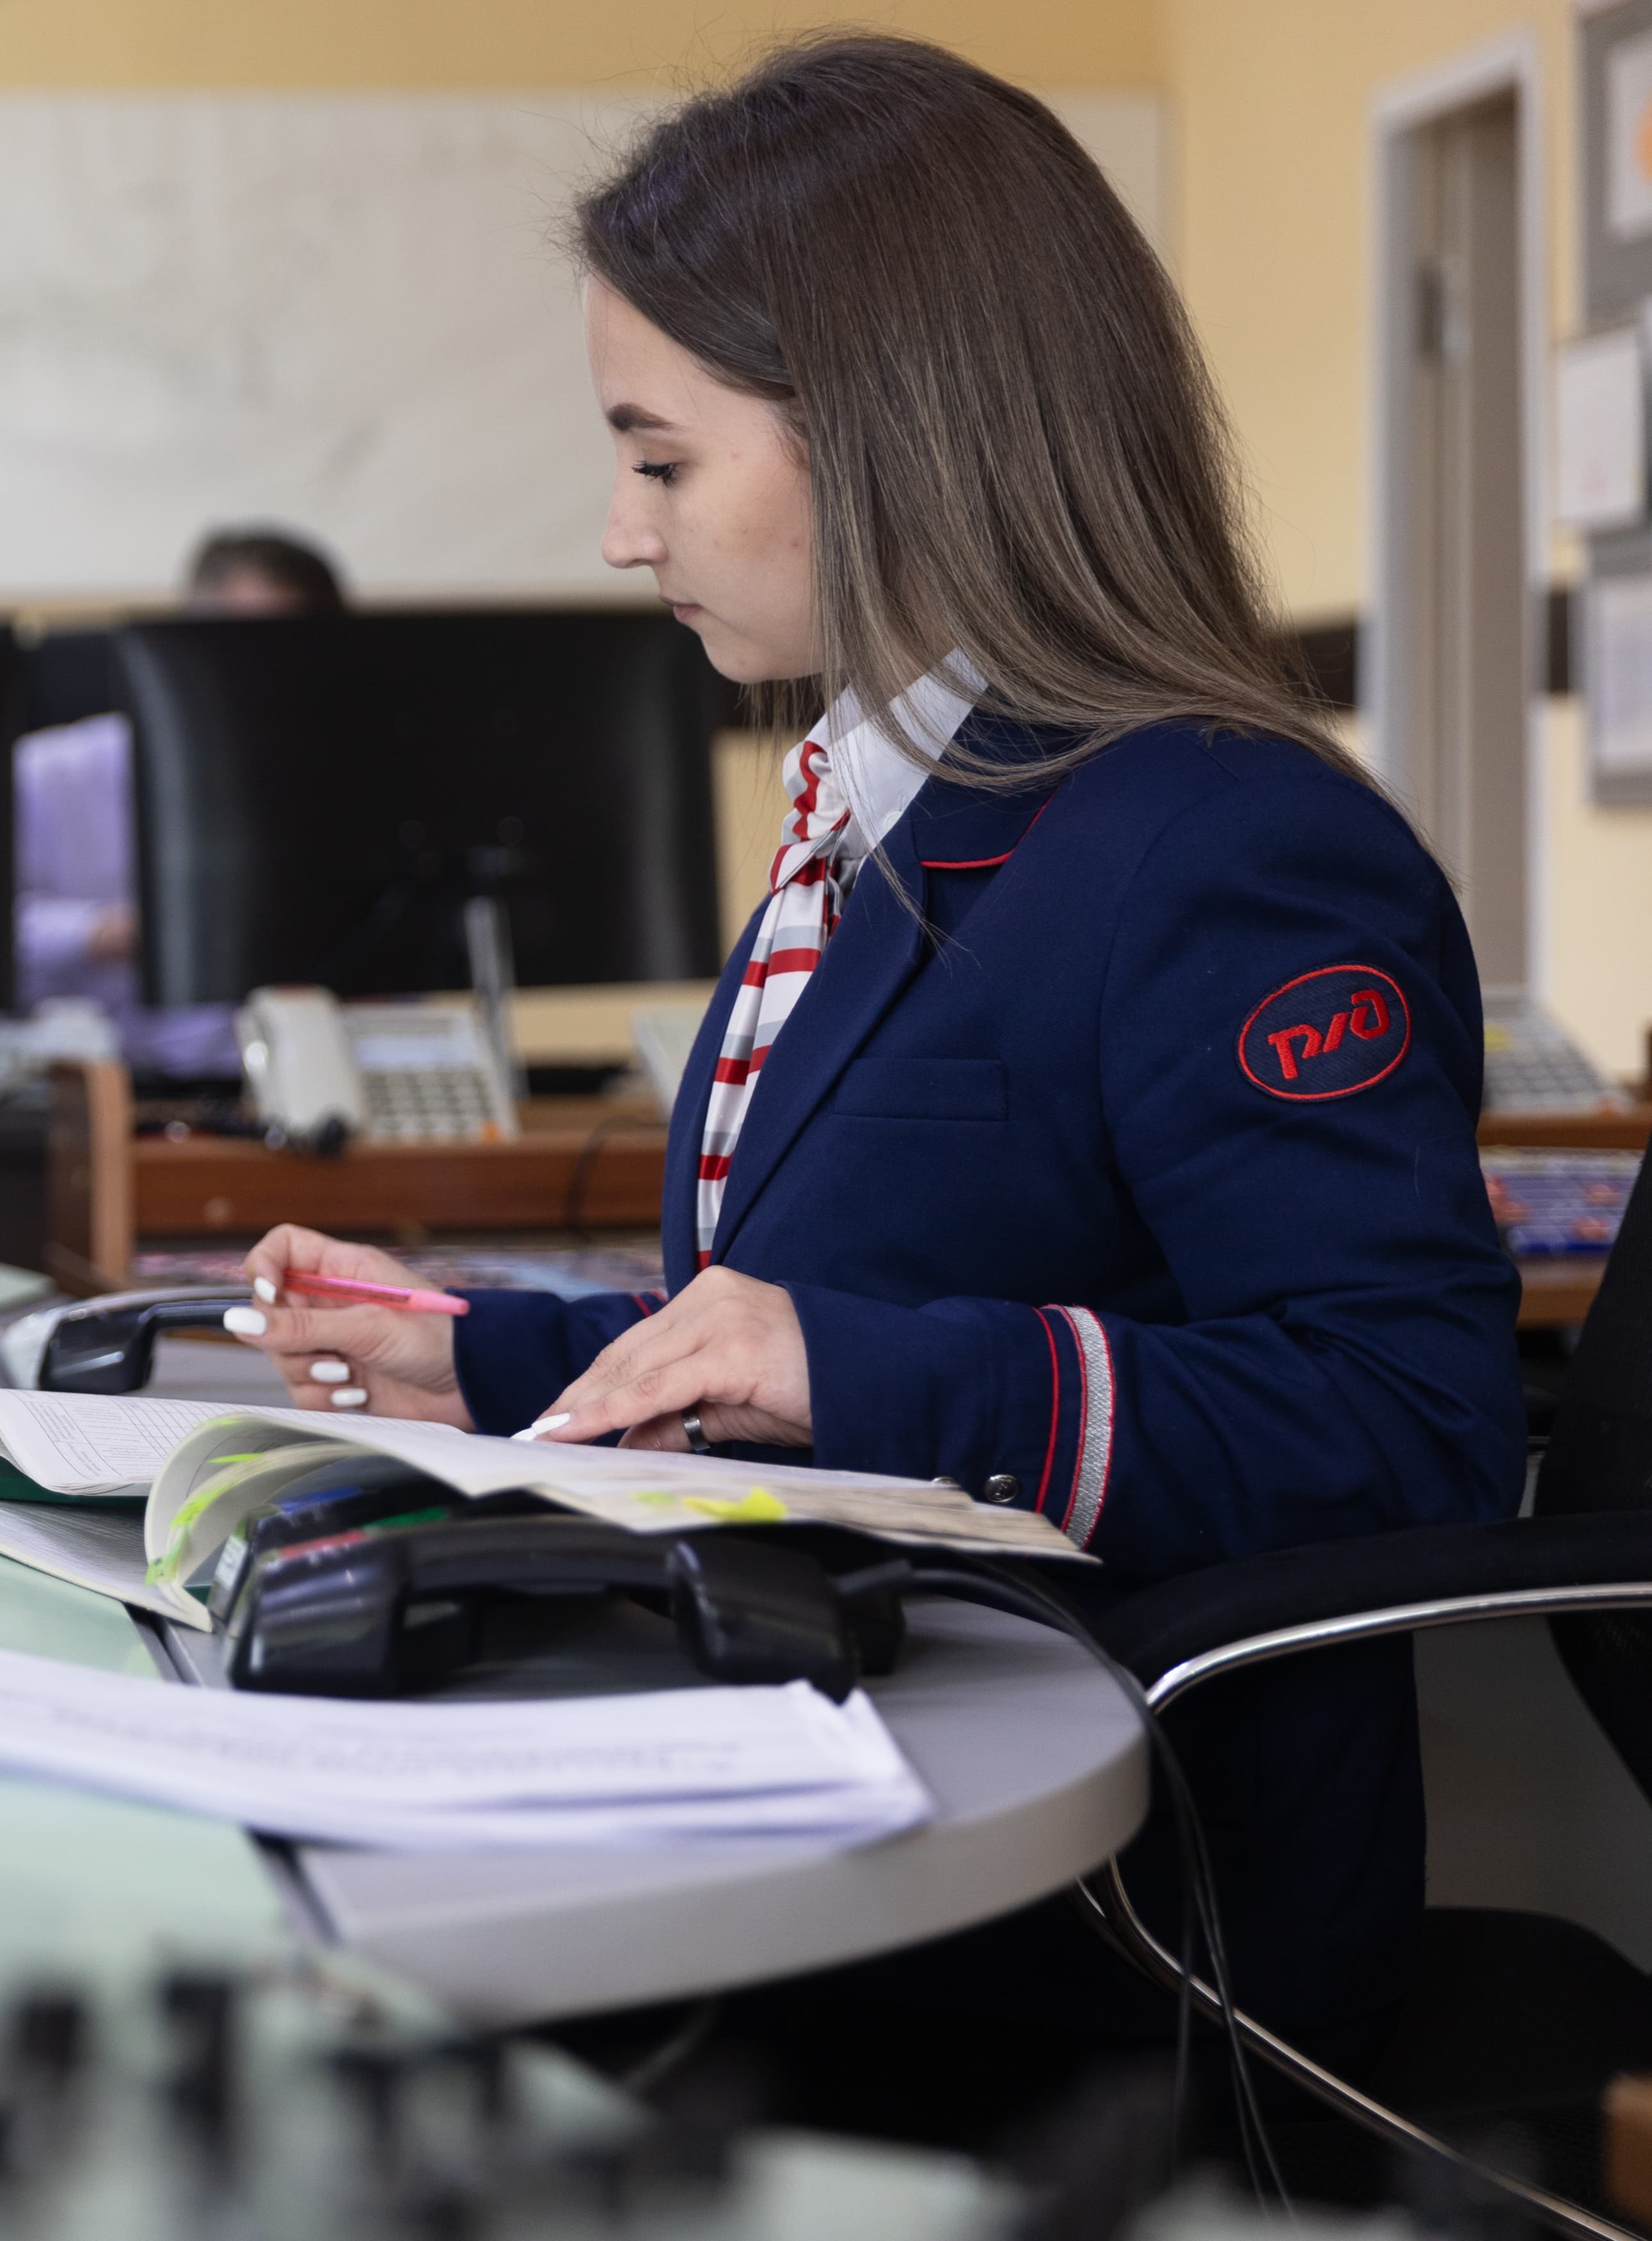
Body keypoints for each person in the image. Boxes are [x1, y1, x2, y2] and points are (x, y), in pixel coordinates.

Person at [223, 34, 1520, 2142]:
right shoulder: (893, 807)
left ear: (886, 432)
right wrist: (479, 1351)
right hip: (869, 1774)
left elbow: (1410, 1420)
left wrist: (847, 1363)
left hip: (1100, 1912)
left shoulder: (1221, 841)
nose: (620, 533)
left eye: (659, 459)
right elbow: (857, 1283)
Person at [12, 526, 347, 1063]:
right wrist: (99, 932)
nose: (262, 670)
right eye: (238, 642)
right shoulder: (49, 772)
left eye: (289, 647)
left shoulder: (343, 782)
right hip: (103, 1072)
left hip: (286, 1072)